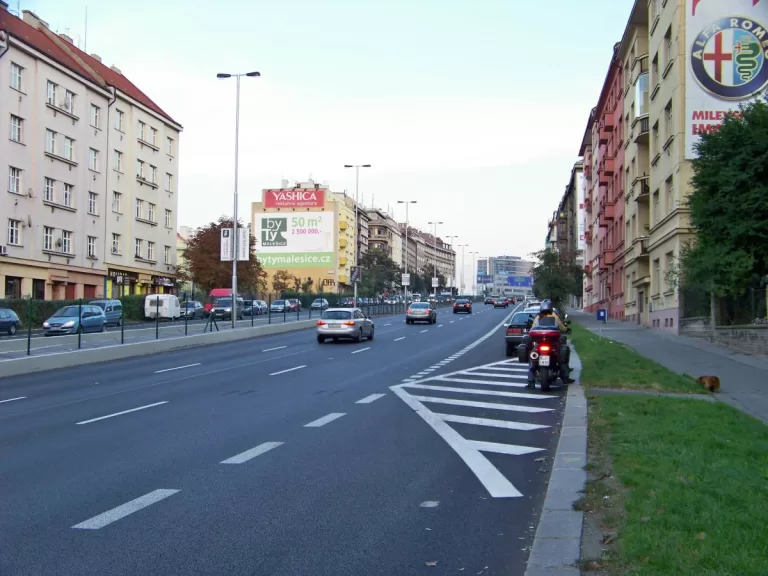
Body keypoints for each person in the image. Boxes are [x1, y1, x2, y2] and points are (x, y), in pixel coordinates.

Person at [527, 299, 575, 387]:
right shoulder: (554, 316)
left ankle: (531, 381)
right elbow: (562, 327)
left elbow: (532, 329)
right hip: (552, 343)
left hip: (540, 342)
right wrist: (566, 329)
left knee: (533, 357)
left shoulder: (538, 317)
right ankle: (565, 378)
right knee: (561, 357)